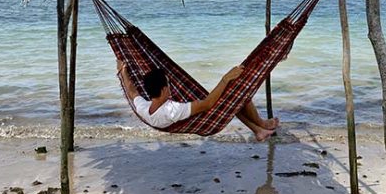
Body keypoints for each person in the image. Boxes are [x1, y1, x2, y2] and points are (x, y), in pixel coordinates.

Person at [117, 60, 279, 141]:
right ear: (164, 89)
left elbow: (132, 91)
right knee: (240, 95)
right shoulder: (172, 110)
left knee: (231, 102)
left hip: (183, 119)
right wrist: (225, 79)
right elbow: (208, 104)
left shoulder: (144, 107)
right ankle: (261, 124)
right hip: (204, 119)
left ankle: (258, 130)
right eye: (169, 84)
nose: (171, 86)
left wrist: (123, 70)